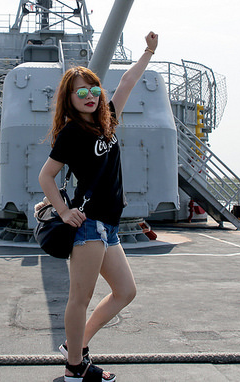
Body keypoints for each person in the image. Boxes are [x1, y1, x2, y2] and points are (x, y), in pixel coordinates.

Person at [39, 32, 158, 382]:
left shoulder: (107, 119)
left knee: (125, 291)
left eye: (94, 90)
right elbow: (47, 177)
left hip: (110, 226)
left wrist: (149, 51)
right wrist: (63, 211)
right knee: (80, 298)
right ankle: (75, 367)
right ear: (69, 98)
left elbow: (128, 80)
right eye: (81, 92)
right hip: (89, 225)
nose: (90, 97)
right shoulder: (71, 133)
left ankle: (76, 346)